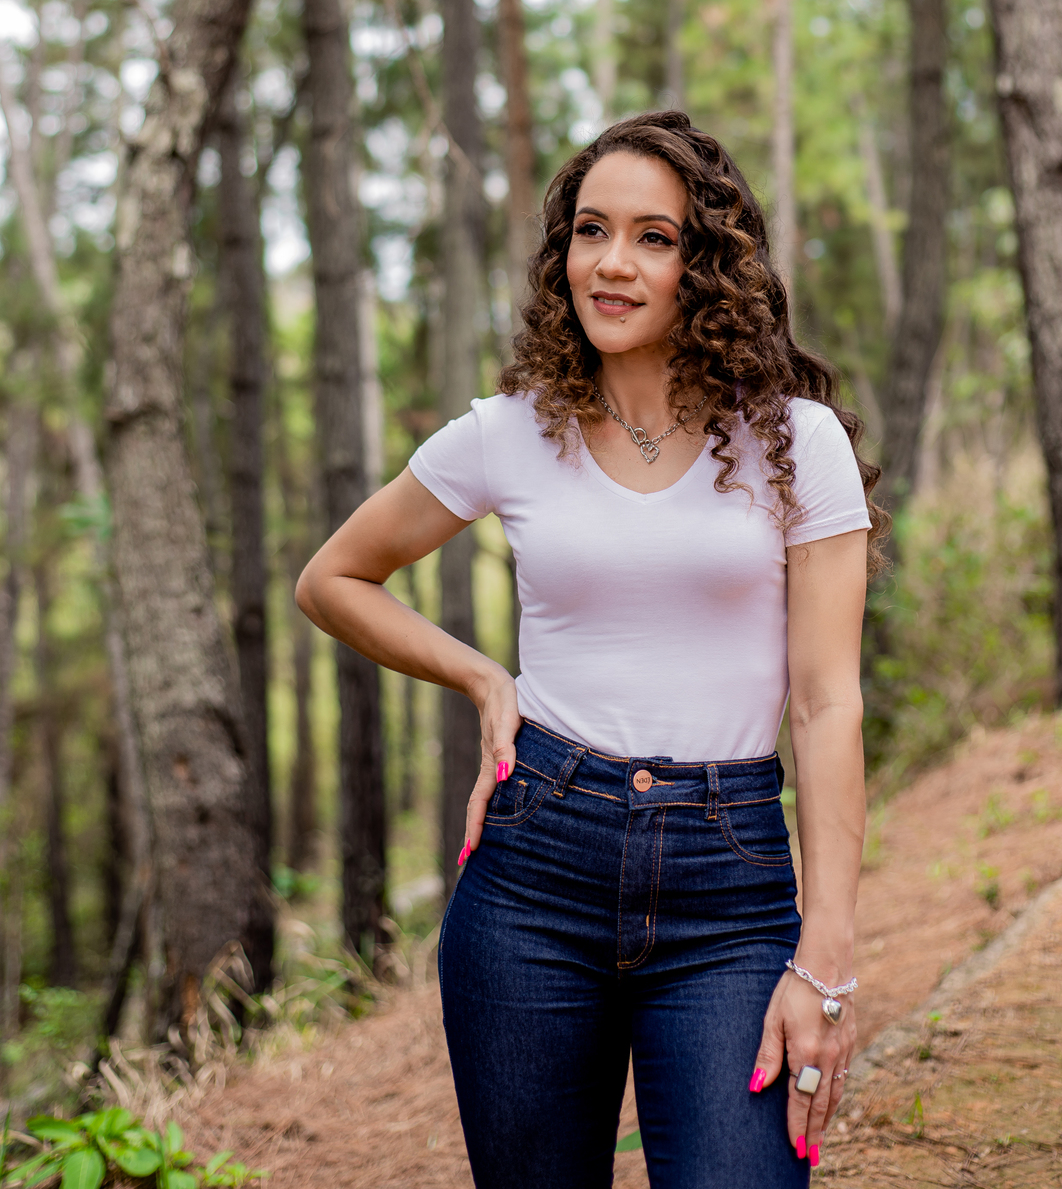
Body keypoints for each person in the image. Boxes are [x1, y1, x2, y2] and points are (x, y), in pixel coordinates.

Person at [296, 110, 883, 1189]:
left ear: (708, 264)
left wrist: (827, 961)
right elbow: (332, 579)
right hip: (533, 875)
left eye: (654, 237)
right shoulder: (510, 431)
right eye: (590, 230)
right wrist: (484, 676)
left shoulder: (796, 443)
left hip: (730, 890)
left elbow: (826, 704)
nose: (611, 263)